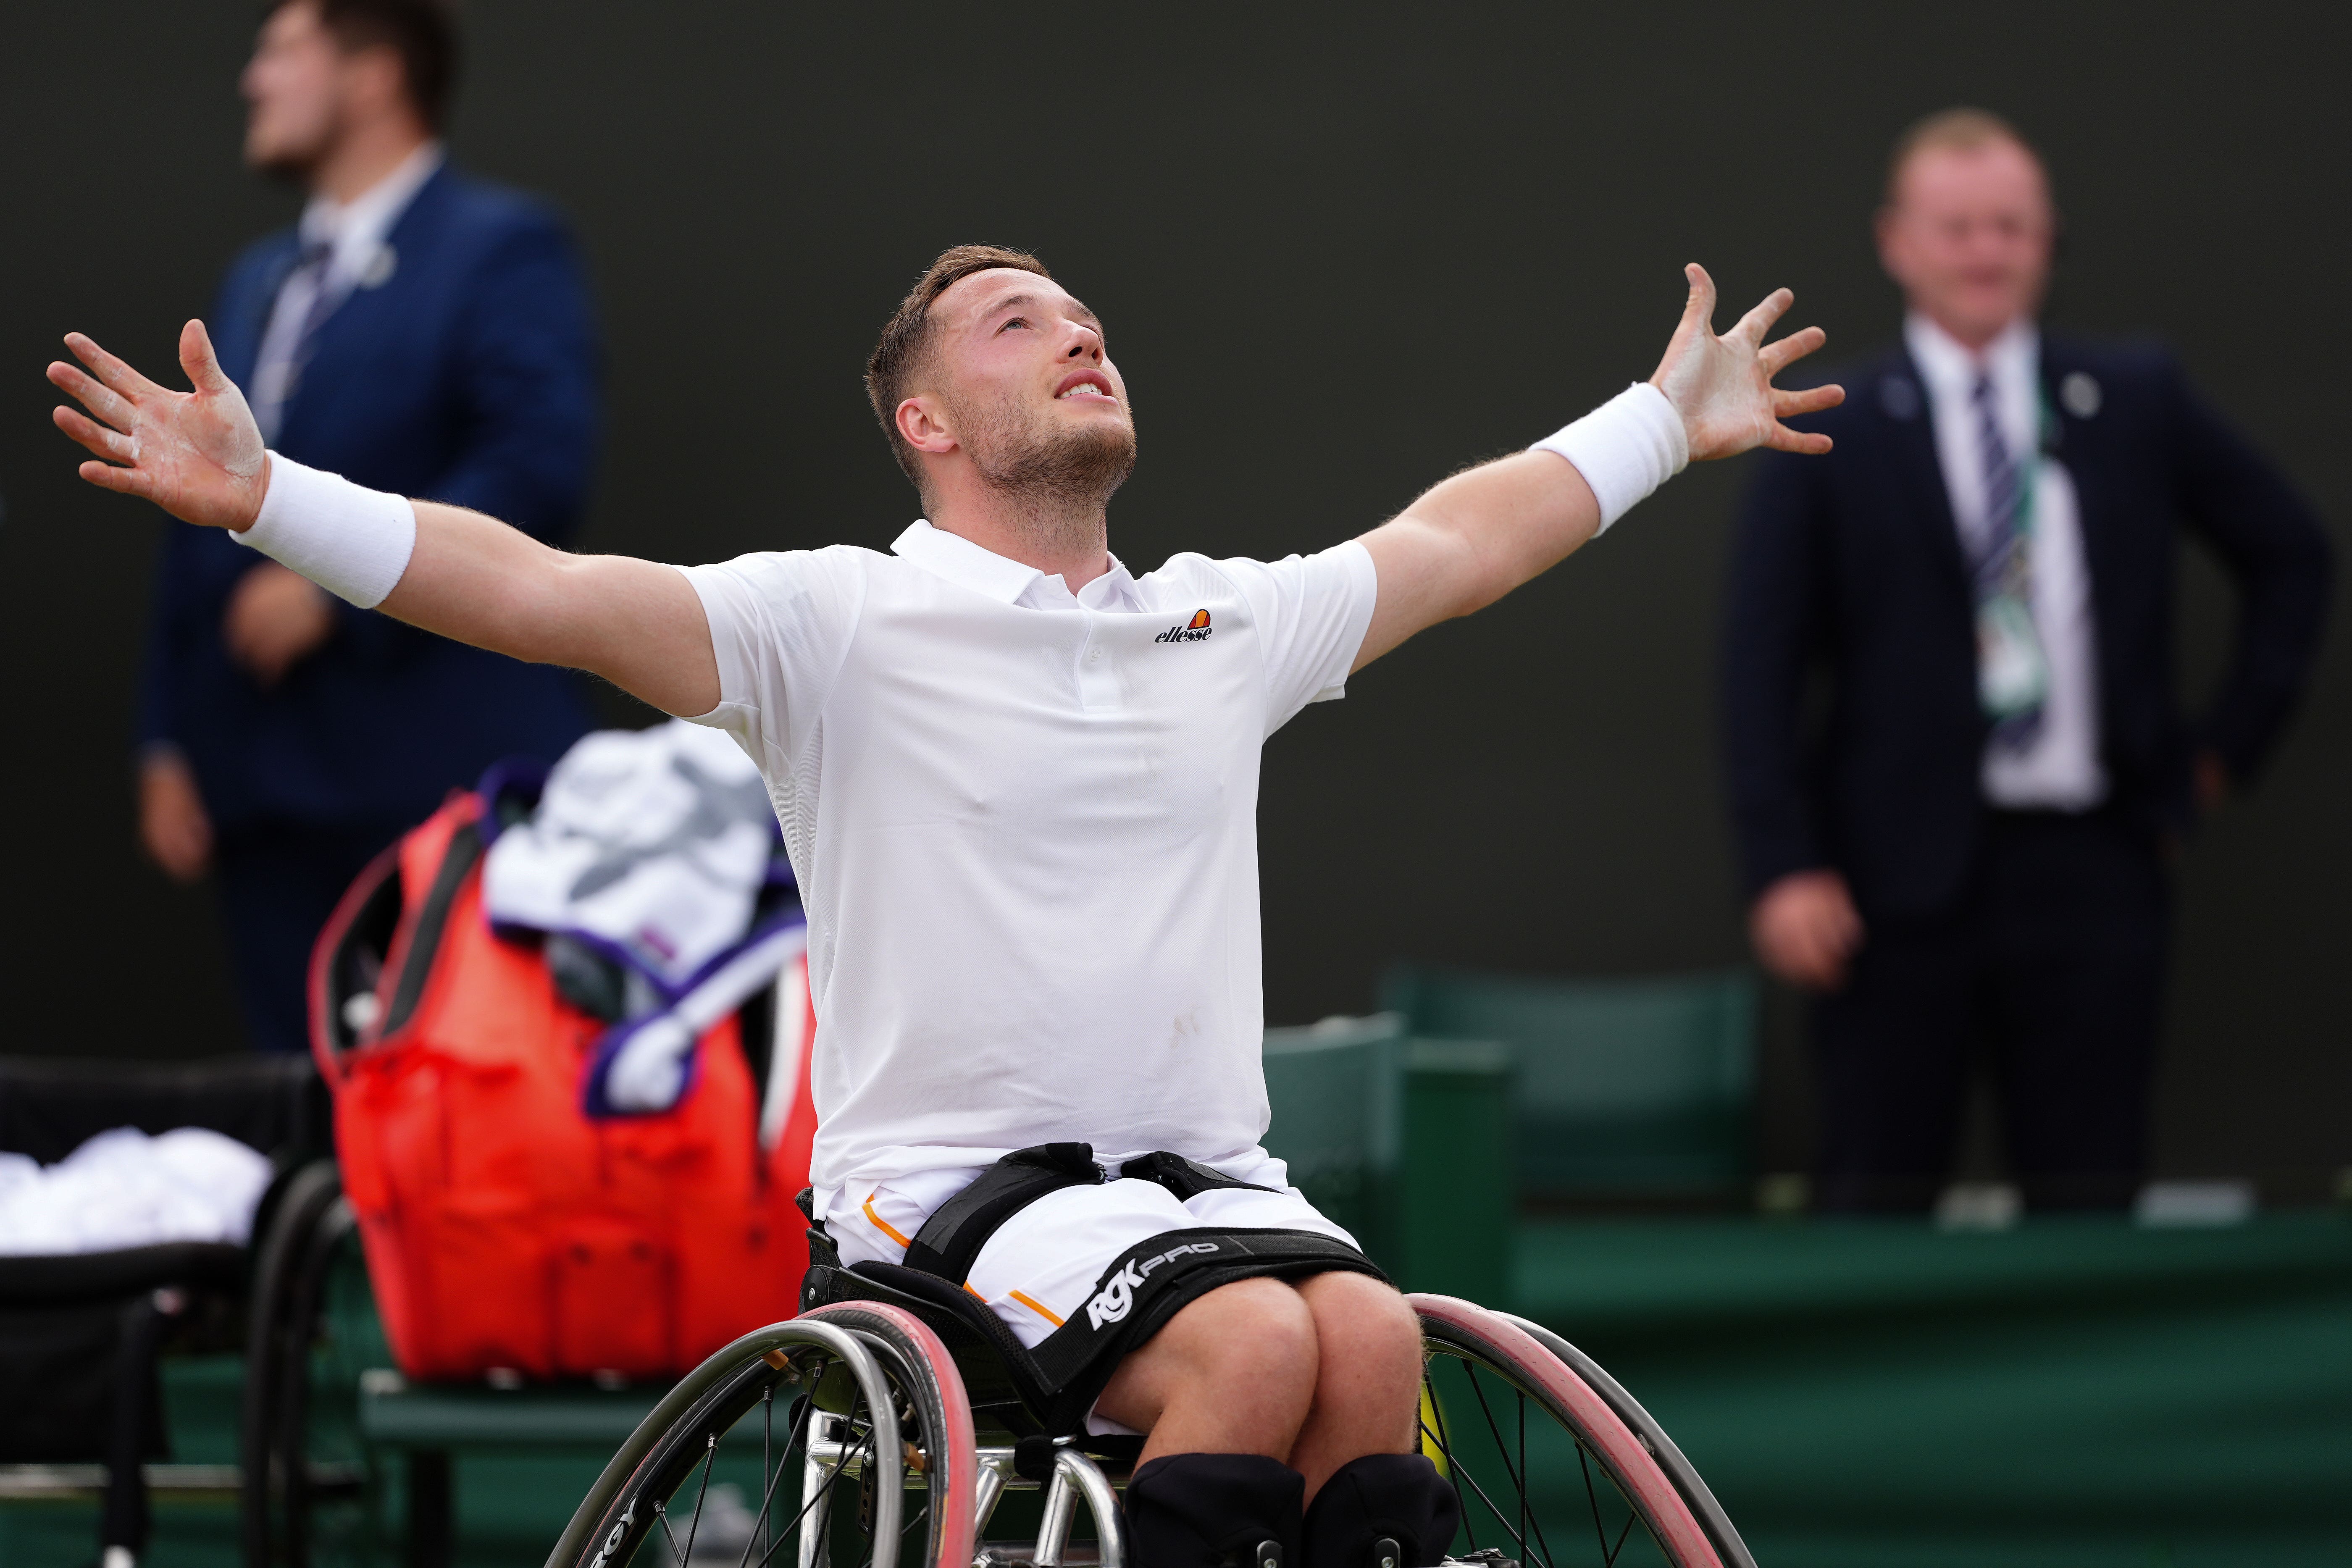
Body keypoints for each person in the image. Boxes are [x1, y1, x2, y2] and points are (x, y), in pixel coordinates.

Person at [51, 245, 1837, 1568]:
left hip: (1207, 1181)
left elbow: (1459, 540)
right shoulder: (827, 626)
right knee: (1256, 1344)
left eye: (1090, 320)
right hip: (944, 1210)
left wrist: (1657, 429)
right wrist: (270, 499)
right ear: (926, 421)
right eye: (1019, 322)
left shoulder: (1218, 622)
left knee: (1364, 1338)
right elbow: (534, 590)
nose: (1079, 334)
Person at [1724, 109, 2331, 1214]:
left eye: (2009, 225)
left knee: (2090, 1198)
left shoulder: (2135, 398)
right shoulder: (1829, 423)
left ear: (2046, 238)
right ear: (1898, 241)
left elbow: (2293, 555)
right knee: (1874, 1201)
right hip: (1889, 892)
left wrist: (2218, 753)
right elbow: (1756, 666)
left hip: (2095, 873)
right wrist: (1784, 862)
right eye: (1957, 227)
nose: (1985, 251)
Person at [135, 0, 599, 1056]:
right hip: (261, 787)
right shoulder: (257, 281)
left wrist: (332, 584)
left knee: (454, 1108)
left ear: (375, 75)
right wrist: (166, 733)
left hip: (432, 780)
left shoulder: (502, 248)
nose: (253, 79)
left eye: (282, 51)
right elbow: (193, 510)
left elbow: (534, 461)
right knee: (302, 1106)